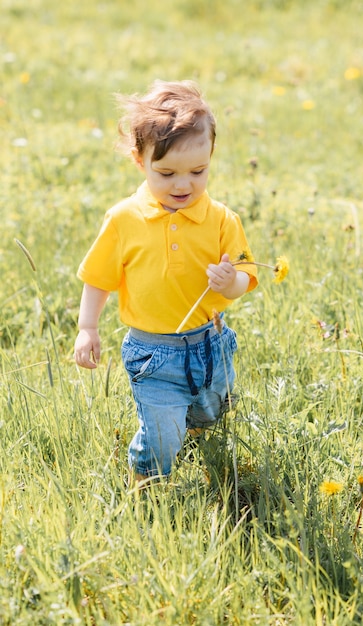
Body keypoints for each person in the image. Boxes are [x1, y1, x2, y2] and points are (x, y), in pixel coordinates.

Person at [74, 80, 258, 484]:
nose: (182, 185)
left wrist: (231, 283)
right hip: (153, 352)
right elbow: (98, 277)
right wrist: (88, 327)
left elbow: (247, 275)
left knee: (211, 413)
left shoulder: (222, 219)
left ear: (211, 157)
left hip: (211, 340)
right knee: (162, 433)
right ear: (140, 162)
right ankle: (147, 479)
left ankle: (190, 430)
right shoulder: (124, 219)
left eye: (198, 171)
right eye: (167, 172)